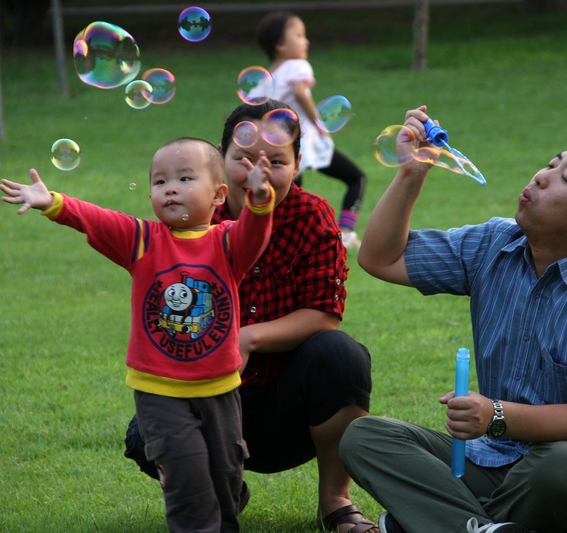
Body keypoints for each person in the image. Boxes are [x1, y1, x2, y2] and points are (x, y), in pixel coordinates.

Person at [339, 106, 567, 533]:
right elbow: (380, 258)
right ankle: (479, 527)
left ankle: (437, 520)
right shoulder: (496, 243)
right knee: (365, 438)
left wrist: (495, 414)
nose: (541, 176)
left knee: (560, 464)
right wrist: (412, 173)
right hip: (500, 461)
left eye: (565, 178)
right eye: (550, 164)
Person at [125, 100, 378, 533]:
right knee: (143, 436)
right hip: (209, 398)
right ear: (220, 165)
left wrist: (246, 337)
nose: (258, 172)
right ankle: (221, 493)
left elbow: (323, 314)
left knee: (341, 355)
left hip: (291, 408)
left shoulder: (311, 215)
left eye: (277, 161)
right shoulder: (189, 220)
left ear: (298, 165)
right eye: (242, 159)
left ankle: (336, 504)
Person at [0, 138, 276, 533]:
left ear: (219, 195)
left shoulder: (228, 242)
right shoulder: (143, 241)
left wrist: (260, 201)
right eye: (160, 182)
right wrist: (55, 203)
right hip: (159, 392)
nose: (171, 188)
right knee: (183, 473)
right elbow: (98, 219)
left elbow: (254, 234)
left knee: (225, 473)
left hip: (219, 389)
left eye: (184, 177)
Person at [256, 10, 367, 249]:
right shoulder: (298, 65)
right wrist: (319, 122)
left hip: (277, 149)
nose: (306, 41)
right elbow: (299, 91)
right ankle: (345, 233)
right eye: (299, 35)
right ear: (280, 44)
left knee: (289, 198)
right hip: (306, 143)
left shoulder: (264, 80)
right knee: (357, 178)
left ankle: (280, 241)